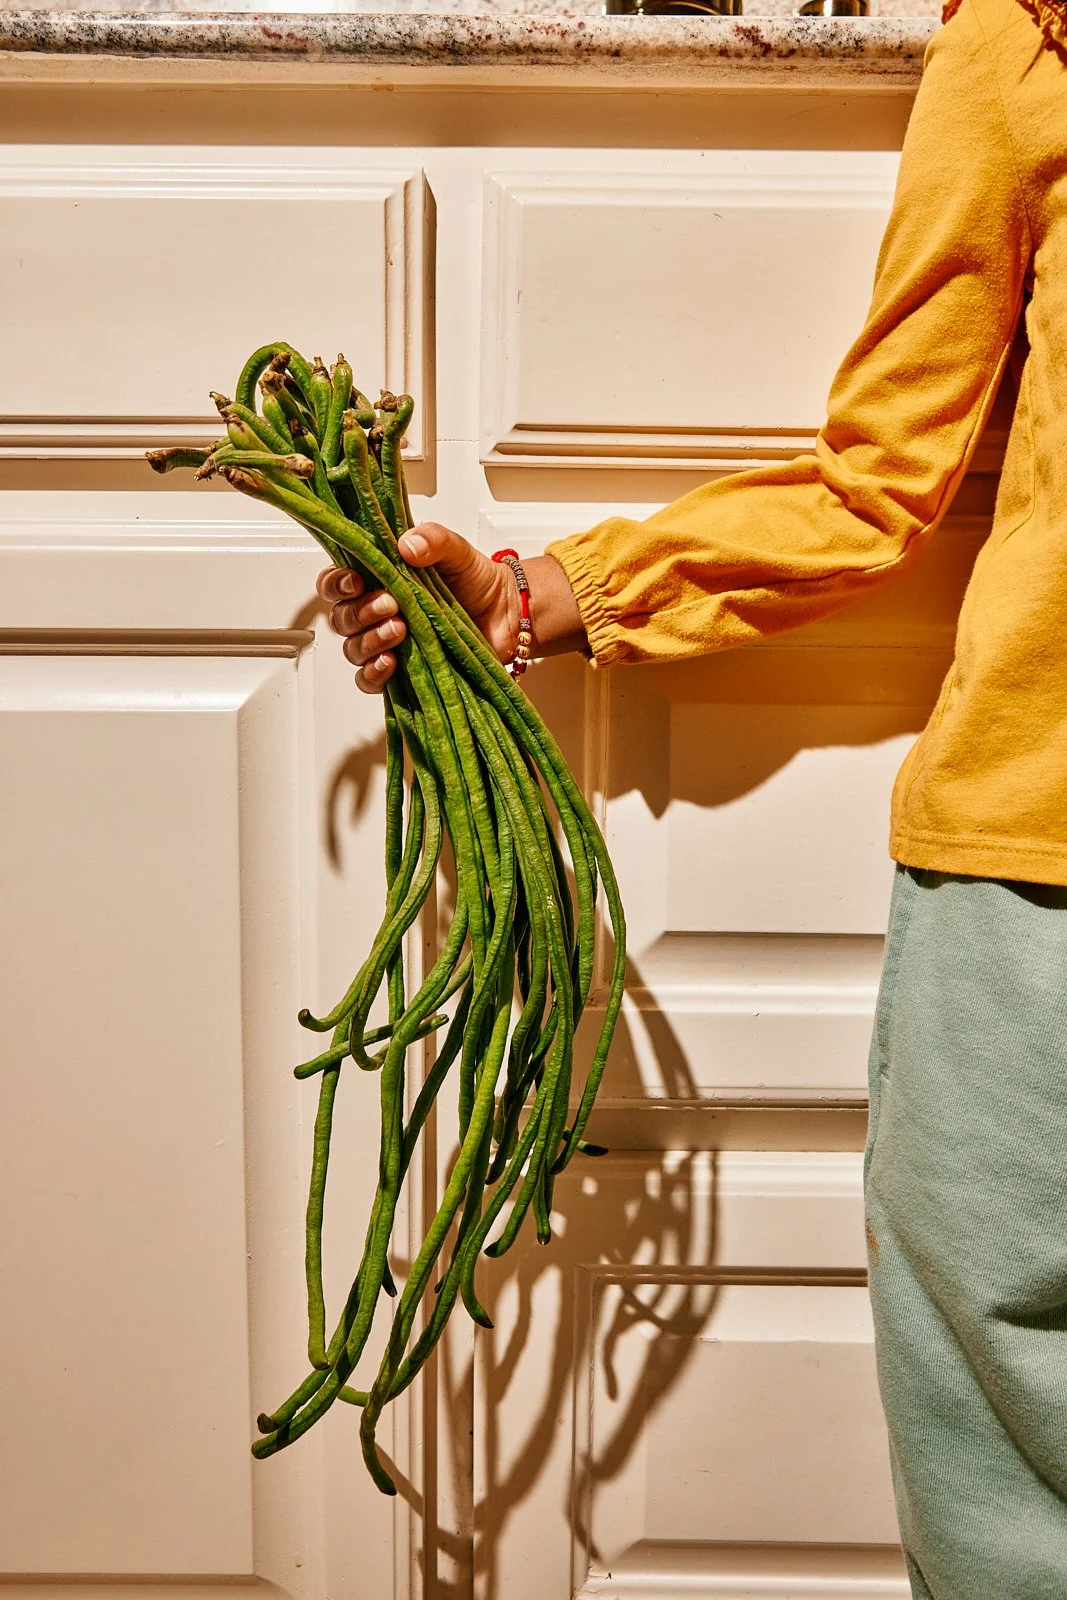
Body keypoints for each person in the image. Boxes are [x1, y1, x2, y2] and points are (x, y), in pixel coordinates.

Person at [317, 0, 1067, 1590]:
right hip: (1030, 857)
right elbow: (873, 482)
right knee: (994, 1445)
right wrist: (529, 596)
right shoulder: (1021, 50)